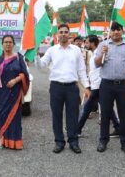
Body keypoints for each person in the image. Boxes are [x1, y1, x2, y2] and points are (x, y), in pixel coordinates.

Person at [35, 23, 90, 154]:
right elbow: (41, 66)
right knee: (57, 115)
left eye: (66, 32)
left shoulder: (76, 50)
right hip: (56, 87)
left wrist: (87, 86)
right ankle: (59, 142)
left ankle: (73, 141)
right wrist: (37, 56)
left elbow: (81, 70)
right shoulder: (51, 50)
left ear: (69, 34)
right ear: (57, 34)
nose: (63, 34)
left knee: (73, 115)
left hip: (72, 87)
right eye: (61, 32)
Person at [95, 21, 125, 156]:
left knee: (124, 115)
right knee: (105, 114)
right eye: (113, 30)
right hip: (106, 85)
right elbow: (96, 64)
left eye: (118, 29)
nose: (116, 32)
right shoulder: (103, 45)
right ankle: (103, 140)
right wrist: (102, 54)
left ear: (122, 31)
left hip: (124, 86)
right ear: (110, 32)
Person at [0, 35, 30, 150]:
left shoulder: (19, 57)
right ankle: (2, 140)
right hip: (2, 93)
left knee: (15, 118)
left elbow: (25, 74)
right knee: (2, 116)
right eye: (5, 42)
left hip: (14, 93)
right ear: (2, 44)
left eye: (10, 42)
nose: (8, 44)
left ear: (14, 44)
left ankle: (16, 142)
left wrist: (15, 80)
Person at [78, 35, 120, 137]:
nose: (85, 44)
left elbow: (100, 70)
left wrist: (93, 86)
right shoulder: (94, 53)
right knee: (107, 108)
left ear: (92, 43)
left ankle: (77, 129)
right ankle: (118, 128)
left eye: (87, 42)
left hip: (99, 85)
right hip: (96, 84)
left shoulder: (100, 53)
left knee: (87, 107)